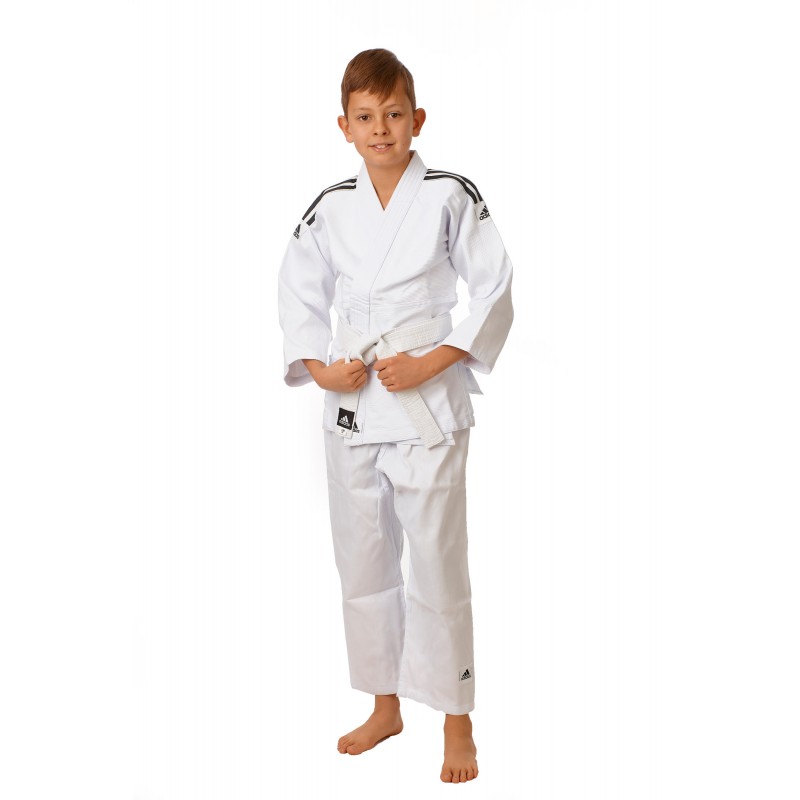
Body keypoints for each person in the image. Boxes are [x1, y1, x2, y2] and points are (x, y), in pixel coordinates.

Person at [277, 48, 514, 783]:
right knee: (362, 561)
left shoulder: (449, 195)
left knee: (437, 563)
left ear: (418, 119)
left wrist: (432, 361)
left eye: (393, 114)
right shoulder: (329, 206)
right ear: (344, 126)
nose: (380, 128)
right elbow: (298, 292)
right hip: (352, 401)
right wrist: (321, 368)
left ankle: (456, 718)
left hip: (424, 400)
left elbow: (495, 288)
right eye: (365, 116)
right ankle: (385, 704)